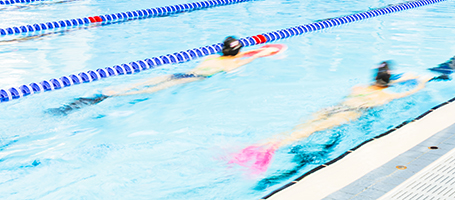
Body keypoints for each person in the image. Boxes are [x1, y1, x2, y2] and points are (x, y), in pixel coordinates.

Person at [229, 61, 430, 174]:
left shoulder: (359, 87)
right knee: (307, 132)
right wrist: (421, 80)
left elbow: (383, 82)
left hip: (333, 107)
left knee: (300, 127)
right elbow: (410, 90)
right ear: (389, 81)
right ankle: (272, 148)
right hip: (348, 114)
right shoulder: (386, 95)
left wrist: (398, 77)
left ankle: (260, 144)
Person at [51, 37, 284, 114]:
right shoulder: (230, 64)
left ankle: (108, 92)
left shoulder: (213, 58)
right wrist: (258, 55)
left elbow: (232, 58)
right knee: (147, 92)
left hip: (180, 72)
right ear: (237, 52)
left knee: (141, 82)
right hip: (192, 79)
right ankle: (110, 97)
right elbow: (237, 65)